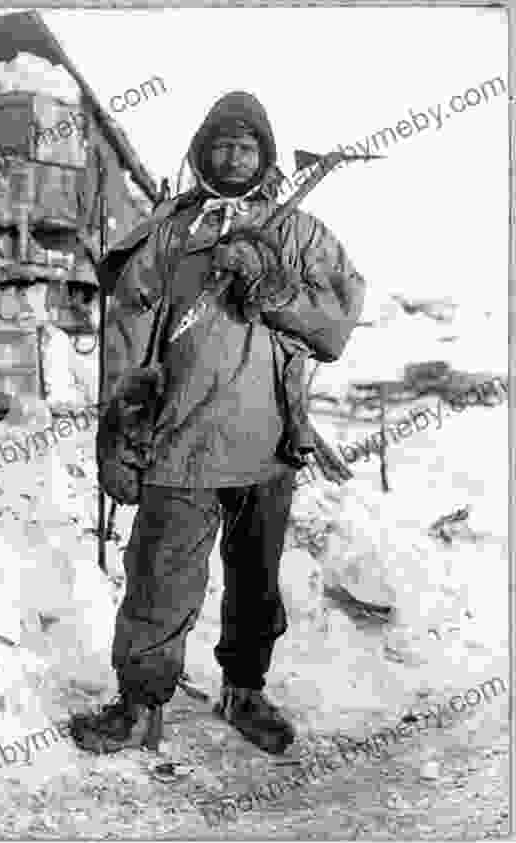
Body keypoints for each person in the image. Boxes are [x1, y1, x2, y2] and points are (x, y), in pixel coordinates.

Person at [70, 91, 366, 755]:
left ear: (265, 155)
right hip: (180, 440)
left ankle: (245, 689)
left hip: (267, 443)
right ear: (203, 152)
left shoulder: (299, 233)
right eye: (222, 144)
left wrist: (272, 287)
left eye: (247, 144)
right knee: (158, 576)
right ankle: (140, 704)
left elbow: (336, 322)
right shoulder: (172, 230)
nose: (233, 155)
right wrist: (122, 410)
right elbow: (128, 317)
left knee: (256, 580)